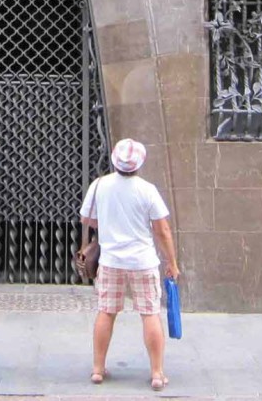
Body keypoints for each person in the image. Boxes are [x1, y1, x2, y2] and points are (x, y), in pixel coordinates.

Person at [79, 138, 179, 392]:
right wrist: (172, 262)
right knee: (150, 313)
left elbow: (86, 218)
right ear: (139, 163)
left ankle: (98, 369)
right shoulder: (147, 190)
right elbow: (163, 230)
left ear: (114, 160)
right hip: (142, 261)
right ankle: (156, 373)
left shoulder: (99, 185)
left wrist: (110, 227)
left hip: (111, 260)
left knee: (106, 311)